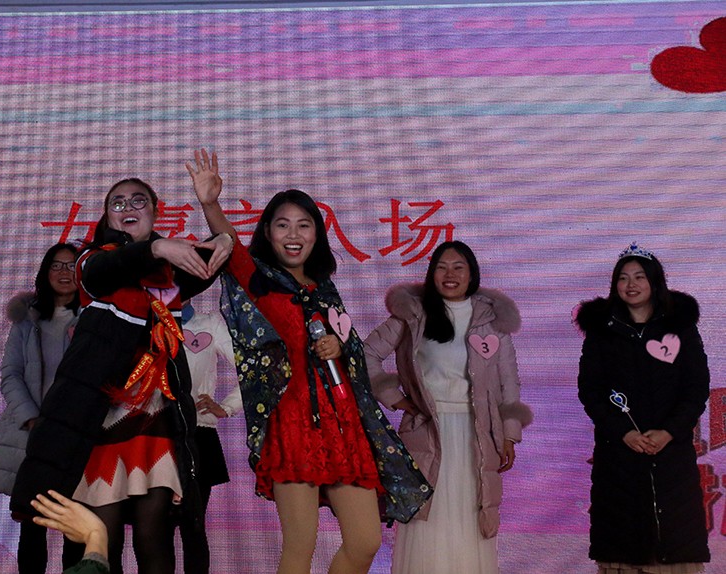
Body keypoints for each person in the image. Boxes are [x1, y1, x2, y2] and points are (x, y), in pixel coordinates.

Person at [188, 149, 431, 574]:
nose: (293, 234)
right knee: (300, 546)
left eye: (304, 224)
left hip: (344, 424)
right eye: (282, 224)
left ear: (317, 234)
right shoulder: (264, 283)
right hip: (293, 422)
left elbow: (353, 355)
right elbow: (235, 254)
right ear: (268, 232)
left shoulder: (325, 289)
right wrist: (211, 204)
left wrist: (340, 347)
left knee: (365, 542)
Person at [10, 176, 233, 574]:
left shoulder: (168, 277)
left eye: (138, 201)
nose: (128, 208)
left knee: (154, 536)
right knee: (102, 538)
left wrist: (211, 206)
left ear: (156, 211)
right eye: (118, 203)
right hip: (102, 421)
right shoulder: (93, 260)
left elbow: (222, 253)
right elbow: (110, 267)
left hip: (155, 421)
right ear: (107, 216)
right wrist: (158, 247)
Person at [364, 240, 531, 574]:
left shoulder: (490, 322)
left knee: (473, 516)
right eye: (441, 267)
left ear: (472, 274)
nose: (450, 274)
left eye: (458, 267)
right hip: (427, 433)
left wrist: (509, 435)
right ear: (431, 274)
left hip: (477, 435)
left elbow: (508, 383)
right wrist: (397, 399)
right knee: (426, 517)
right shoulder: (413, 315)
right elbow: (366, 354)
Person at [575, 243, 710, 573]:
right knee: (621, 536)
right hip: (618, 454)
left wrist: (669, 432)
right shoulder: (602, 330)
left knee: (674, 536)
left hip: (671, 454)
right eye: (623, 278)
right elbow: (591, 391)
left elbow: (696, 388)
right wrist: (624, 433)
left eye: (639, 276)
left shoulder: (680, 327)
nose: (630, 284)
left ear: (654, 282)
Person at [0, 242, 81, 573]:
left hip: (77, 435)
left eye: (72, 266)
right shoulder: (26, 321)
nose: (64, 273)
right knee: (32, 526)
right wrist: (30, 419)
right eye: (57, 265)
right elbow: (10, 374)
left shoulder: (94, 319)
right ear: (45, 272)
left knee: (76, 528)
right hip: (32, 434)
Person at [175, 300, 242, 574]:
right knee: (154, 528)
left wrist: (227, 406)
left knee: (193, 526)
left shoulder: (210, 324)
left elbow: (250, 368)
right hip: (154, 434)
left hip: (198, 433)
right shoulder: (145, 322)